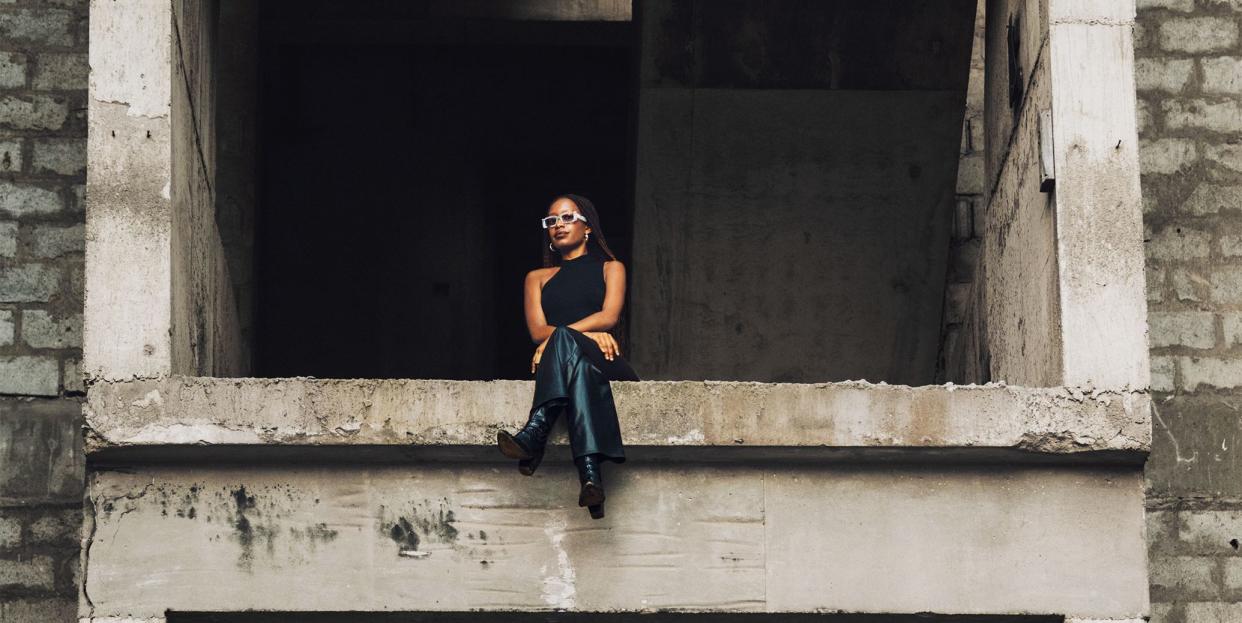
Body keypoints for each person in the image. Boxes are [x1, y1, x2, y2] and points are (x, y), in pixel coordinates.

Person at [496, 194, 639, 520]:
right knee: (581, 371)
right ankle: (590, 476)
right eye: (551, 221)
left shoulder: (611, 267)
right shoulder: (537, 278)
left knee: (565, 342)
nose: (558, 225)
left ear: (587, 227)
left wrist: (563, 337)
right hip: (581, 367)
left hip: (609, 361)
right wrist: (580, 337)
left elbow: (609, 317)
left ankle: (536, 431)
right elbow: (537, 332)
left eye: (567, 217)